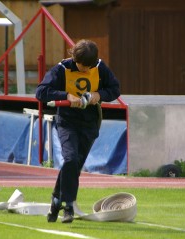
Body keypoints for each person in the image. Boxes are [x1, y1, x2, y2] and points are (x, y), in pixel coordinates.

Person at [35, 39, 120, 223]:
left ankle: (56, 200)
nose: (85, 70)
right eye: (83, 66)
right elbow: (41, 92)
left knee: (74, 166)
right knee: (70, 159)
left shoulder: (99, 67)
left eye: (89, 66)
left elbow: (115, 89)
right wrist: (65, 95)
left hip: (90, 123)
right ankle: (68, 207)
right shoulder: (61, 69)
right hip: (67, 121)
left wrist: (99, 95)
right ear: (74, 57)